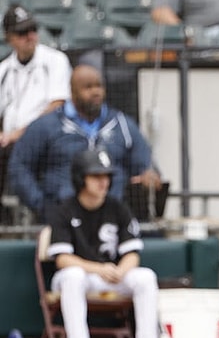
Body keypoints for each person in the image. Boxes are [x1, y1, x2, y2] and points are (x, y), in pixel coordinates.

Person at [8, 64, 161, 222]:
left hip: (112, 217)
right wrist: (42, 205)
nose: (96, 92)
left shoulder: (122, 124)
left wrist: (149, 175)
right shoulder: (46, 125)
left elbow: (146, 163)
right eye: (88, 87)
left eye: (99, 86)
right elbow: (20, 166)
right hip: (63, 217)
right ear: (72, 92)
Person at [47, 149, 159, 338]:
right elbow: (62, 259)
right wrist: (100, 269)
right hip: (82, 278)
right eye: (96, 176)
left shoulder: (118, 208)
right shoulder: (65, 210)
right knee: (73, 275)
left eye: (106, 176)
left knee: (145, 277)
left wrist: (120, 271)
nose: (103, 182)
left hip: (112, 276)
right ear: (81, 178)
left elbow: (132, 254)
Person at [0, 5, 71, 203]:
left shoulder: (55, 60)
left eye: (33, 29)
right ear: (9, 38)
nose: (30, 36)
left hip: (47, 141)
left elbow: (57, 105)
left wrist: (17, 134)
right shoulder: (4, 69)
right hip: (10, 145)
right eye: (22, 32)